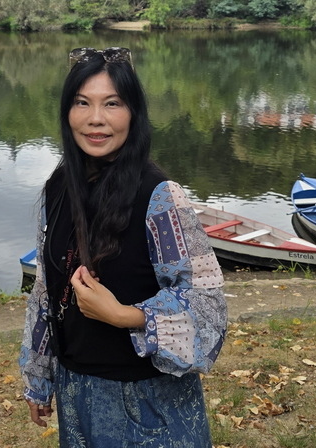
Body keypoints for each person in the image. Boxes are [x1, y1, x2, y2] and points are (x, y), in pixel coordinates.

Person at [19, 46, 227, 447]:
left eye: (112, 103)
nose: (95, 118)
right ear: (67, 111)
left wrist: (124, 315)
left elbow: (209, 311)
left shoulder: (160, 197)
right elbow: (45, 291)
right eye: (82, 102)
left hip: (148, 402)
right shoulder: (59, 188)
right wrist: (39, 378)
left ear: (133, 112)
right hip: (76, 390)